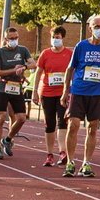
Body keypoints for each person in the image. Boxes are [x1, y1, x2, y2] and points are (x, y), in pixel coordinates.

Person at [62, 15, 100, 178]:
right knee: (73, 125)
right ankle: (70, 162)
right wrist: (66, 91)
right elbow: (70, 69)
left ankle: (86, 163)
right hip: (79, 91)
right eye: (97, 26)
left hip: (97, 93)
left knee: (93, 128)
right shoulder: (81, 46)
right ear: (90, 28)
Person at [0, 24, 32, 160]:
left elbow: (33, 64)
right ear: (5, 39)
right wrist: (14, 69)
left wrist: (24, 66)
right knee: (1, 117)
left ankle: (7, 140)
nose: (14, 40)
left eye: (16, 38)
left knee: (21, 118)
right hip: (3, 87)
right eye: (11, 38)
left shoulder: (23, 50)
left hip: (17, 87)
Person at [36, 23, 73, 168]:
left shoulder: (69, 54)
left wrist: (70, 90)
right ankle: (49, 154)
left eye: (57, 37)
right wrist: (35, 91)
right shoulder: (45, 54)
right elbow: (39, 72)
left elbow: (72, 72)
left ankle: (62, 151)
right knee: (49, 124)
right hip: (47, 92)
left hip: (63, 93)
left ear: (62, 38)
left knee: (62, 122)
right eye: (53, 37)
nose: (55, 40)